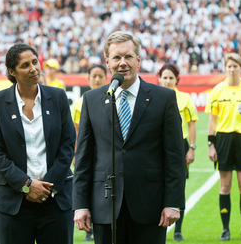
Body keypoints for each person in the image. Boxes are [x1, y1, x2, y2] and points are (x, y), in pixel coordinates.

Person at [73, 31, 186, 244]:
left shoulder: (164, 98)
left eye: (128, 57)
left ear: (139, 60)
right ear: (108, 62)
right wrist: (80, 204)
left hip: (150, 205)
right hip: (104, 206)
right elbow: (84, 158)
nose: (122, 63)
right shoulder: (91, 100)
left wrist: (173, 202)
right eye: (116, 57)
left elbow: (174, 155)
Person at [0, 44, 75, 244]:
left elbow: (68, 144)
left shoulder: (58, 97)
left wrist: (46, 187)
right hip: (12, 201)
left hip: (55, 199)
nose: (33, 68)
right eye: (25, 65)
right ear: (11, 71)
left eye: (35, 62)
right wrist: (27, 185)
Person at [205, 53, 241, 241]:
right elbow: (212, 121)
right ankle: (225, 229)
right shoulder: (216, 91)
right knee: (225, 186)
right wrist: (211, 145)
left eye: (235, 66)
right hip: (223, 140)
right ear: (225, 67)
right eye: (228, 66)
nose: (232, 69)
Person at [158, 63, 198, 242]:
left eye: (170, 78)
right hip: (157, 145)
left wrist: (192, 148)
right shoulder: (152, 97)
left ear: (177, 80)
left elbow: (192, 124)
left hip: (179, 145)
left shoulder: (185, 99)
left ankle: (178, 230)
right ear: (159, 78)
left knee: (178, 186)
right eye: (164, 77)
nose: (167, 81)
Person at [71, 64, 107, 241]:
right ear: (88, 79)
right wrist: (76, 154)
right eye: (94, 76)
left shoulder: (113, 98)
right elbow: (78, 133)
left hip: (104, 155)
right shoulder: (81, 103)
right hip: (87, 155)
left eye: (101, 76)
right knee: (88, 188)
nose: (97, 79)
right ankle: (89, 228)